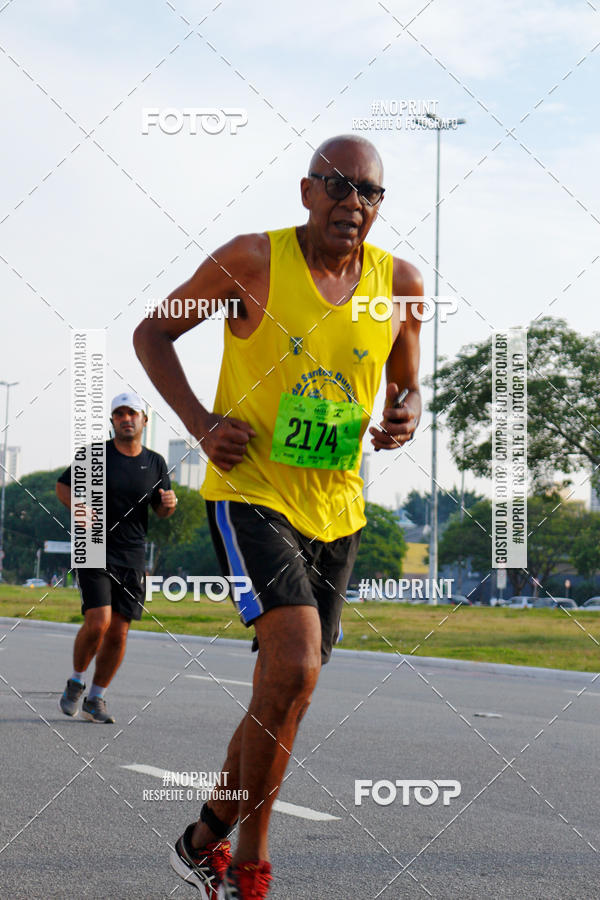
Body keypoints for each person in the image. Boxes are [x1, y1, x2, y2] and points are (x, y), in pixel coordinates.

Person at [133, 135, 423, 899]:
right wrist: (199, 423)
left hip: (338, 509)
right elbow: (152, 332)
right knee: (293, 664)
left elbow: (405, 378)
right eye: (337, 185)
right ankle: (224, 849)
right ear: (305, 190)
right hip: (253, 492)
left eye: (369, 192)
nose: (352, 203)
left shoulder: (402, 284)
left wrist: (406, 411)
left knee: (288, 690)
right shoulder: (252, 260)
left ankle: (228, 857)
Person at [57, 391, 177, 723]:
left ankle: (96, 697)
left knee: (119, 631)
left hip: (133, 554)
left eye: (132, 413)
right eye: (120, 414)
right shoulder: (94, 454)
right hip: (93, 547)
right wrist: (80, 509)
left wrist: (168, 506)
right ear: (112, 420)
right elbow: (63, 486)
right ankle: (76, 680)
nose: (126, 418)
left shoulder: (155, 463)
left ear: (144, 420)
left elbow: (161, 506)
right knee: (99, 621)